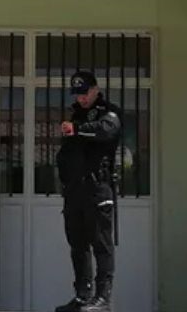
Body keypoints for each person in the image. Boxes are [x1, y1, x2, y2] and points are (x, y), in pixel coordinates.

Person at [54, 71, 122, 312]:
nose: (81, 98)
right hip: (75, 190)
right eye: (77, 94)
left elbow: (106, 130)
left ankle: (103, 297)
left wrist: (77, 129)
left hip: (97, 188)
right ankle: (83, 295)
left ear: (95, 90)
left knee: (101, 244)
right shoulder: (76, 116)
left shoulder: (107, 112)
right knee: (77, 244)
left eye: (84, 93)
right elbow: (66, 153)